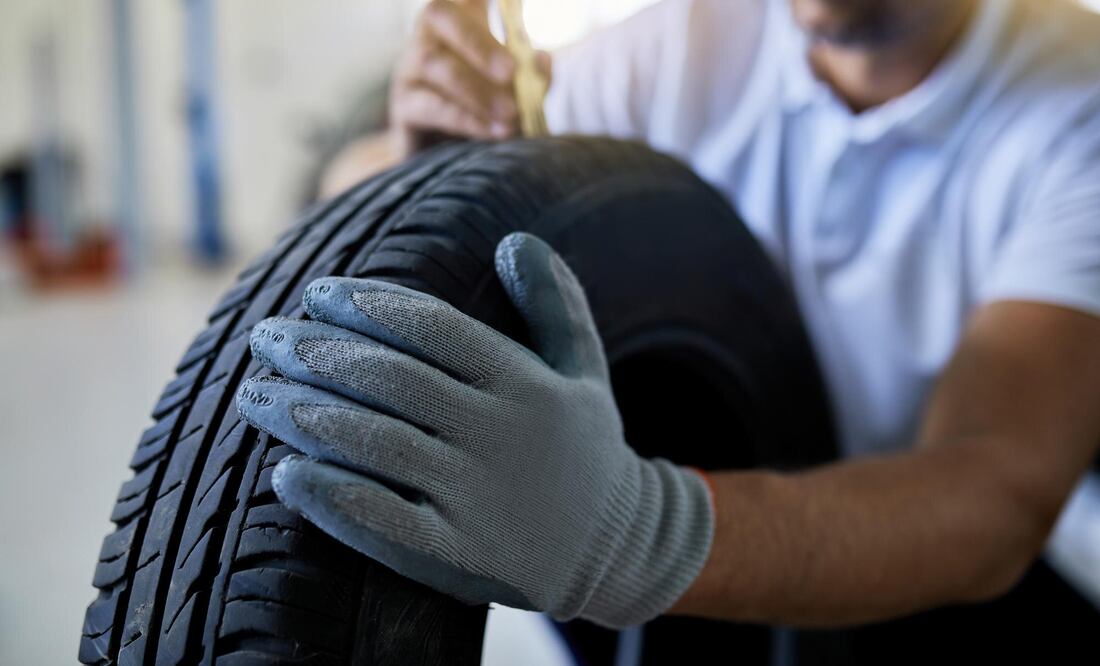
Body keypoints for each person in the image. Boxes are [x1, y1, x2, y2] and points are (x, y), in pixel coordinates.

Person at [237, 0, 1100, 657]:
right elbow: (349, 188)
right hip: (692, 560)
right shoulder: (683, 47)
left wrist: (636, 534)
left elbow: (992, 489)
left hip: (937, 588)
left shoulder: (1077, 104)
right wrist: (428, 170)